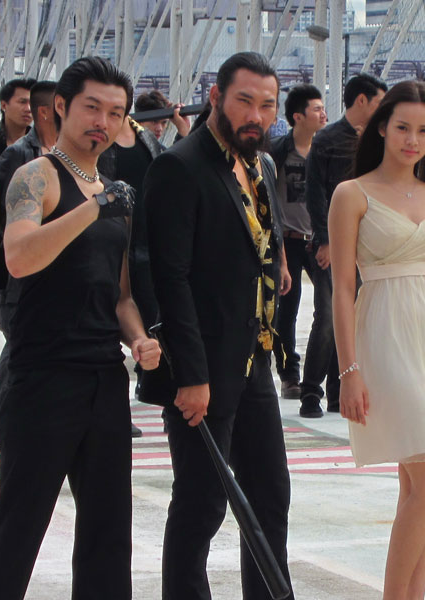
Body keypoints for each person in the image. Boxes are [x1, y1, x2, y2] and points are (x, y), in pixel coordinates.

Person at [0, 57, 161, 600]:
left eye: (115, 112)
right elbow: (18, 258)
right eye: (91, 107)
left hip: (103, 376)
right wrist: (93, 208)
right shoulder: (37, 176)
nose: (103, 121)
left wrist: (138, 338)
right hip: (41, 376)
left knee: (108, 530)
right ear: (61, 106)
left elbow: (120, 295)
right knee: (19, 524)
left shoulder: (115, 193)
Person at [145, 51, 294, 600]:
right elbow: (169, 279)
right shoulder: (180, 168)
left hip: (253, 361)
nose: (256, 116)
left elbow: (261, 240)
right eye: (244, 102)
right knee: (202, 504)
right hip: (203, 368)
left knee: (270, 497)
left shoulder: (261, 165)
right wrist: (191, 375)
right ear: (215, 97)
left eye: (267, 105)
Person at [330, 80, 425, 600]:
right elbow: (343, 289)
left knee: (417, 489)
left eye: (424, 131)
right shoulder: (352, 194)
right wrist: (349, 370)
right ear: (382, 128)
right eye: (403, 127)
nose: (413, 140)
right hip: (385, 338)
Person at [301, 72, 387, 418]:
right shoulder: (327, 139)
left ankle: (338, 393)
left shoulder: (381, 140)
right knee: (327, 316)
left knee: (354, 317)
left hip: (368, 244)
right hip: (333, 244)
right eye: (380, 102)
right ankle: (311, 392)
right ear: (362, 100)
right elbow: (315, 193)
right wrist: (324, 240)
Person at [0, 79, 58, 436]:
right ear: (47, 111)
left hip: (61, 270)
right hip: (25, 271)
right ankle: (1, 422)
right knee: (18, 346)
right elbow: (8, 219)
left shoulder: (73, 155)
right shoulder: (19, 155)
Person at [98, 101, 166, 437]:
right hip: (111, 241)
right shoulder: (98, 144)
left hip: (148, 243)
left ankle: (159, 393)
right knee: (110, 321)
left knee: (152, 323)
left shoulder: (146, 140)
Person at [270, 83, 327, 399]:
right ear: (297, 116)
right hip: (288, 242)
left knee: (328, 308)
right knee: (286, 312)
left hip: (319, 241)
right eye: (317, 109)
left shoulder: (326, 150)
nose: (323, 114)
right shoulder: (278, 152)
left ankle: (323, 374)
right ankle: (289, 376)